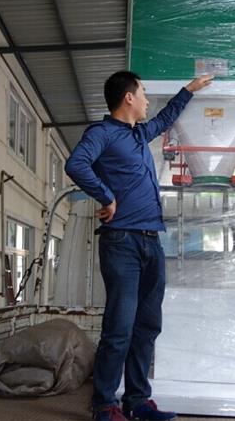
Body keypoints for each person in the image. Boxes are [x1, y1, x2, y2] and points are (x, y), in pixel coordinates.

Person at [66, 71, 212, 421]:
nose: (147, 99)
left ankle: (137, 401)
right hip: (122, 242)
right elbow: (76, 164)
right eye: (143, 92)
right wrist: (106, 196)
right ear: (128, 97)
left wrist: (188, 90)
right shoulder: (101, 133)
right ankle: (104, 405)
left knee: (147, 325)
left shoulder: (138, 134)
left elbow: (164, 119)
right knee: (119, 327)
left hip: (151, 241)